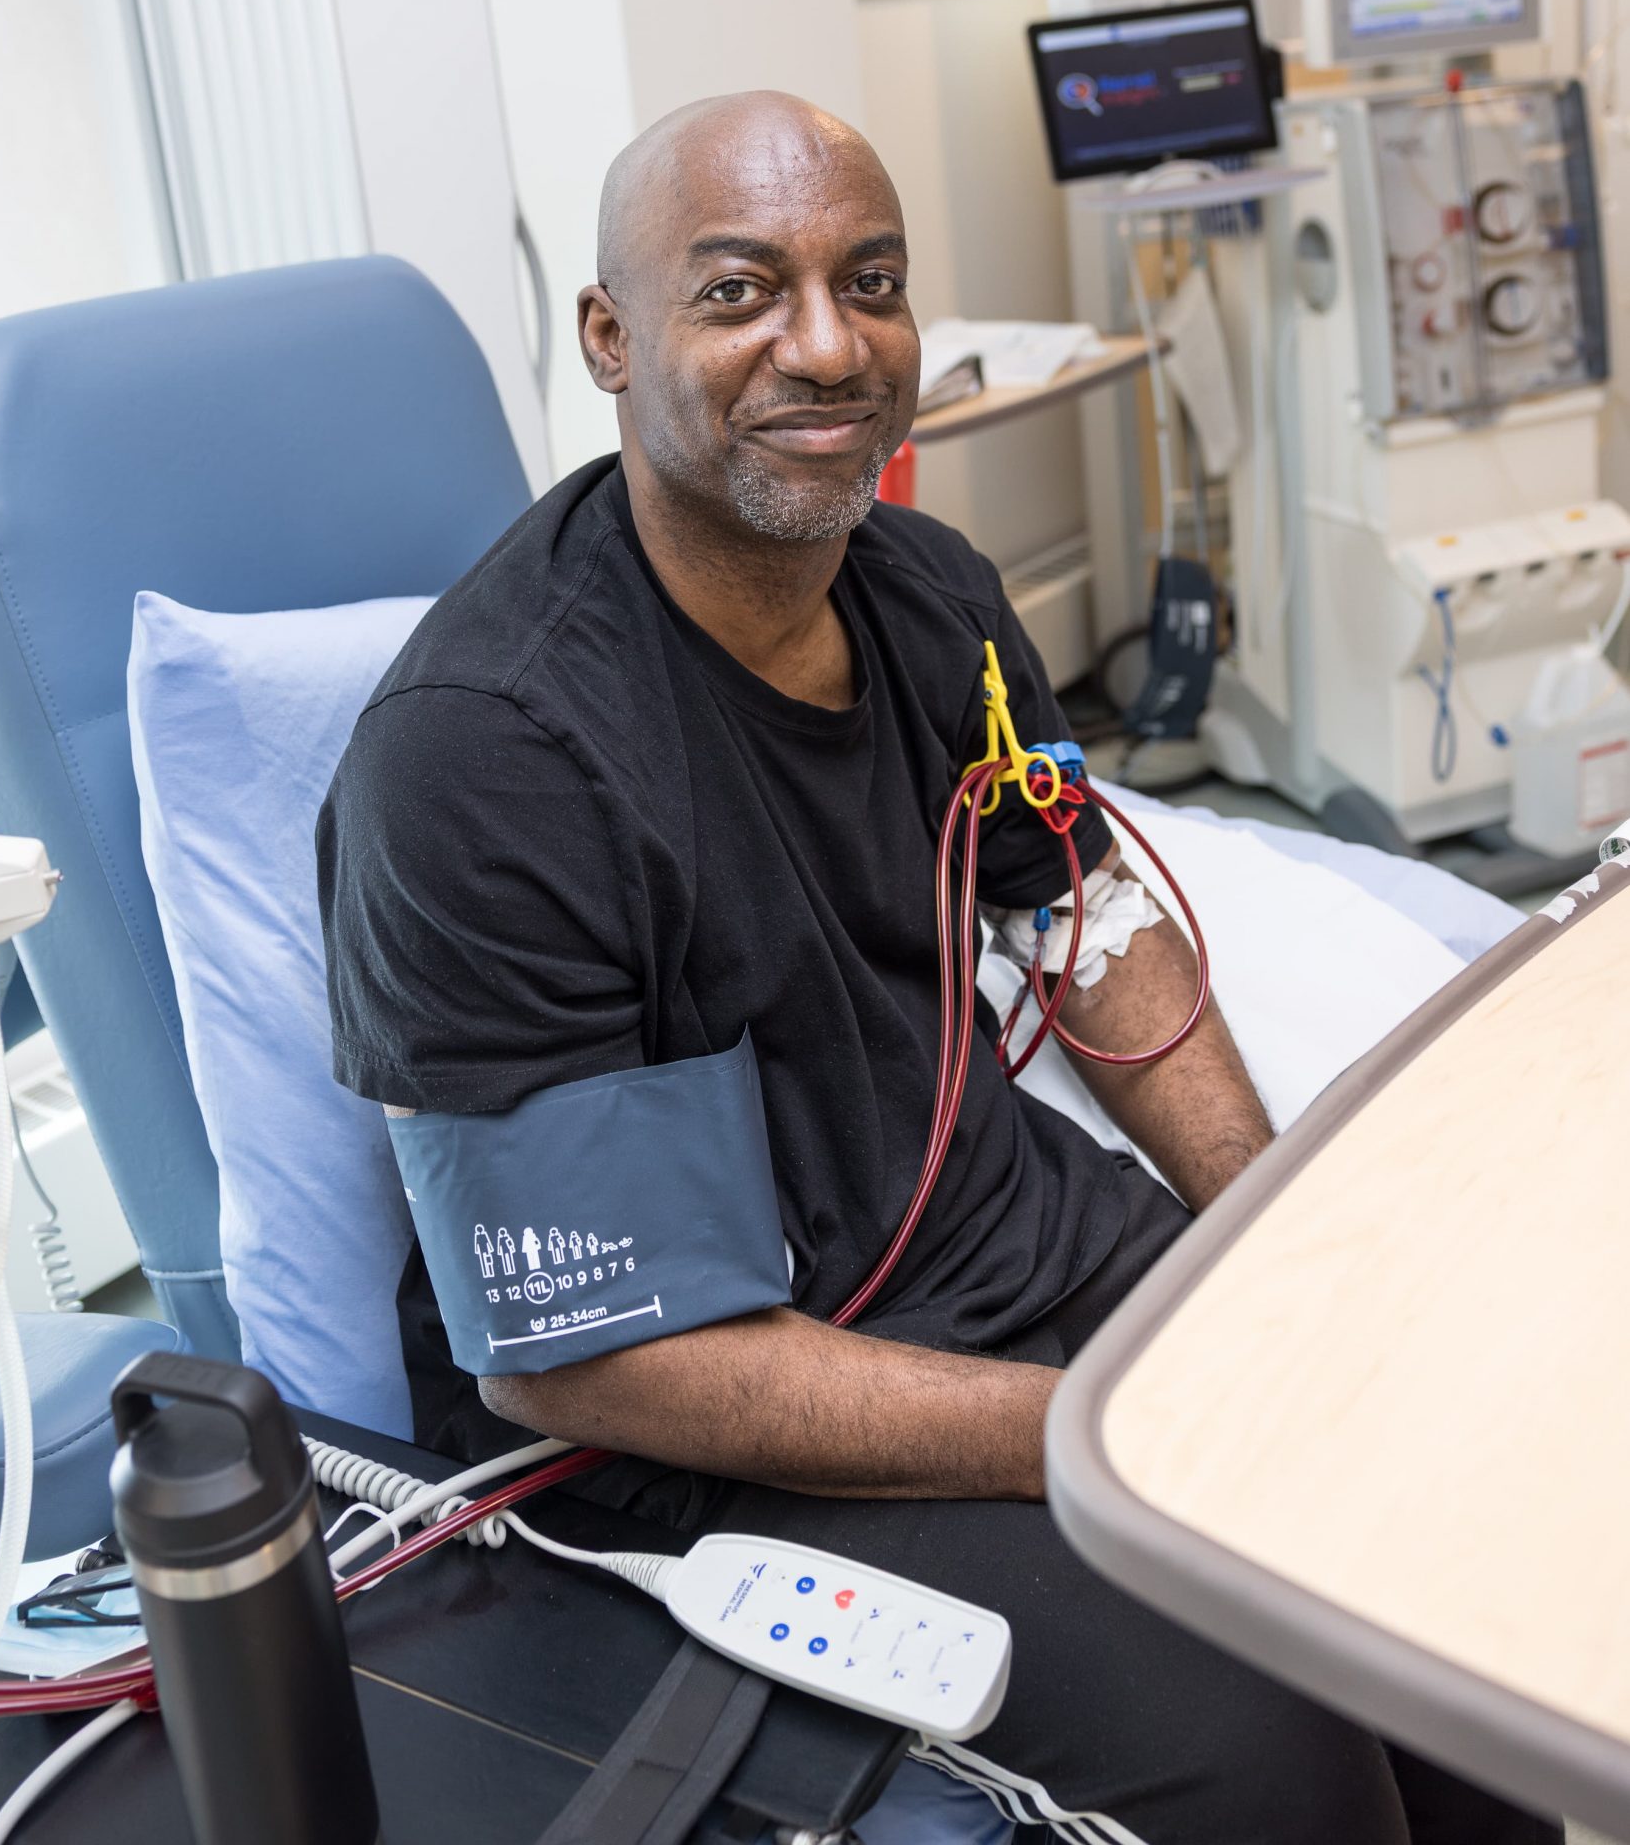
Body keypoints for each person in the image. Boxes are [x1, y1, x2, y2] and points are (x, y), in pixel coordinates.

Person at [320, 91, 1556, 1845]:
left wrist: (1274, 1252)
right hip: (709, 1438)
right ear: (609, 337)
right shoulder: (490, 761)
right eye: (741, 292)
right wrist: (1107, 1432)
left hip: (1017, 1255)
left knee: (1434, 1577)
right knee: (1284, 1754)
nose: (825, 346)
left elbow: (1086, 919)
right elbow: (582, 1364)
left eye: (870, 282)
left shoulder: (934, 595)